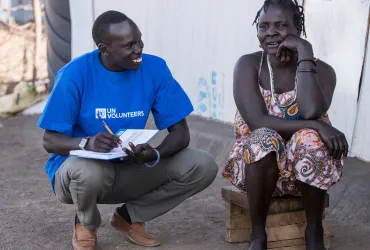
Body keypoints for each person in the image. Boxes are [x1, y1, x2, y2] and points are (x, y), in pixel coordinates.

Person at [38, 10, 218, 250]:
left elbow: (180, 133)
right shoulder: (74, 75)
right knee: (86, 170)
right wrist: (86, 143)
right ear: (104, 49)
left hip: (128, 166)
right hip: (79, 174)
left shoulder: (154, 69)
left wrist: (154, 154)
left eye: (140, 41)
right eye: (129, 45)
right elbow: (50, 140)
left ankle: (129, 218)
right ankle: (85, 222)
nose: (138, 49)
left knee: (202, 164)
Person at [222, 1, 347, 250]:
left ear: (297, 29)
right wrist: (317, 125)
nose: (271, 32)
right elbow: (257, 122)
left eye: (281, 25)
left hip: (306, 175)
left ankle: (314, 232)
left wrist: (305, 53)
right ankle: (258, 234)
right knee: (263, 137)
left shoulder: (322, 71)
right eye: (263, 26)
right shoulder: (248, 65)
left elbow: (312, 109)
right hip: (257, 171)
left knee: (310, 140)